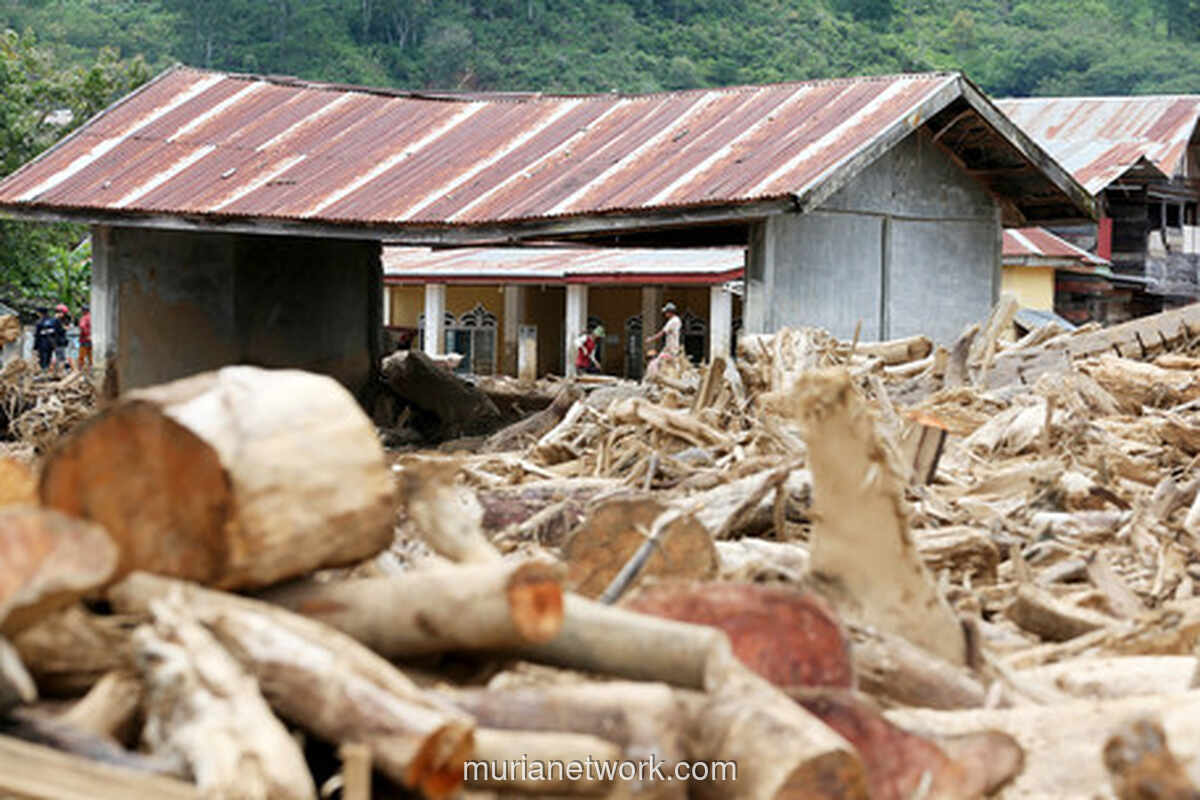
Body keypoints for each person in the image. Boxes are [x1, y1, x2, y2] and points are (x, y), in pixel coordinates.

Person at [644, 302, 682, 381]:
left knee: (658, 362)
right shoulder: (677, 320)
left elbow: (662, 333)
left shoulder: (672, 321)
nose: (665, 314)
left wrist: (651, 339)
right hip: (672, 347)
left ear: (670, 312)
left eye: (666, 312)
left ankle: (653, 378)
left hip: (671, 348)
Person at [33, 307, 62, 372]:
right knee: (50, 356)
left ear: (40, 313)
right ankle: (50, 370)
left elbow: (37, 335)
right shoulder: (54, 320)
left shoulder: (39, 322)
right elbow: (60, 331)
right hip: (53, 342)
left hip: (43, 343)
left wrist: (35, 346)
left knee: (43, 358)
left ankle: (44, 370)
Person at [52, 303, 71, 373]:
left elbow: (62, 329)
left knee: (61, 357)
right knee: (60, 357)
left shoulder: (59, 320)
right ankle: (62, 371)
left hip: (59, 341)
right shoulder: (56, 320)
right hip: (58, 341)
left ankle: (64, 370)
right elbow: (59, 330)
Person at [77, 305, 92, 372]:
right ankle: (91, 370)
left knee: (81, 356)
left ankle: (80, 371)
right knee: (90, 355)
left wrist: (86, 334)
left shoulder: (84, 318)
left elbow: (82, 326)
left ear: (84, 311)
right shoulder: (92, 317)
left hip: (84, 339)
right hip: (92, 339)